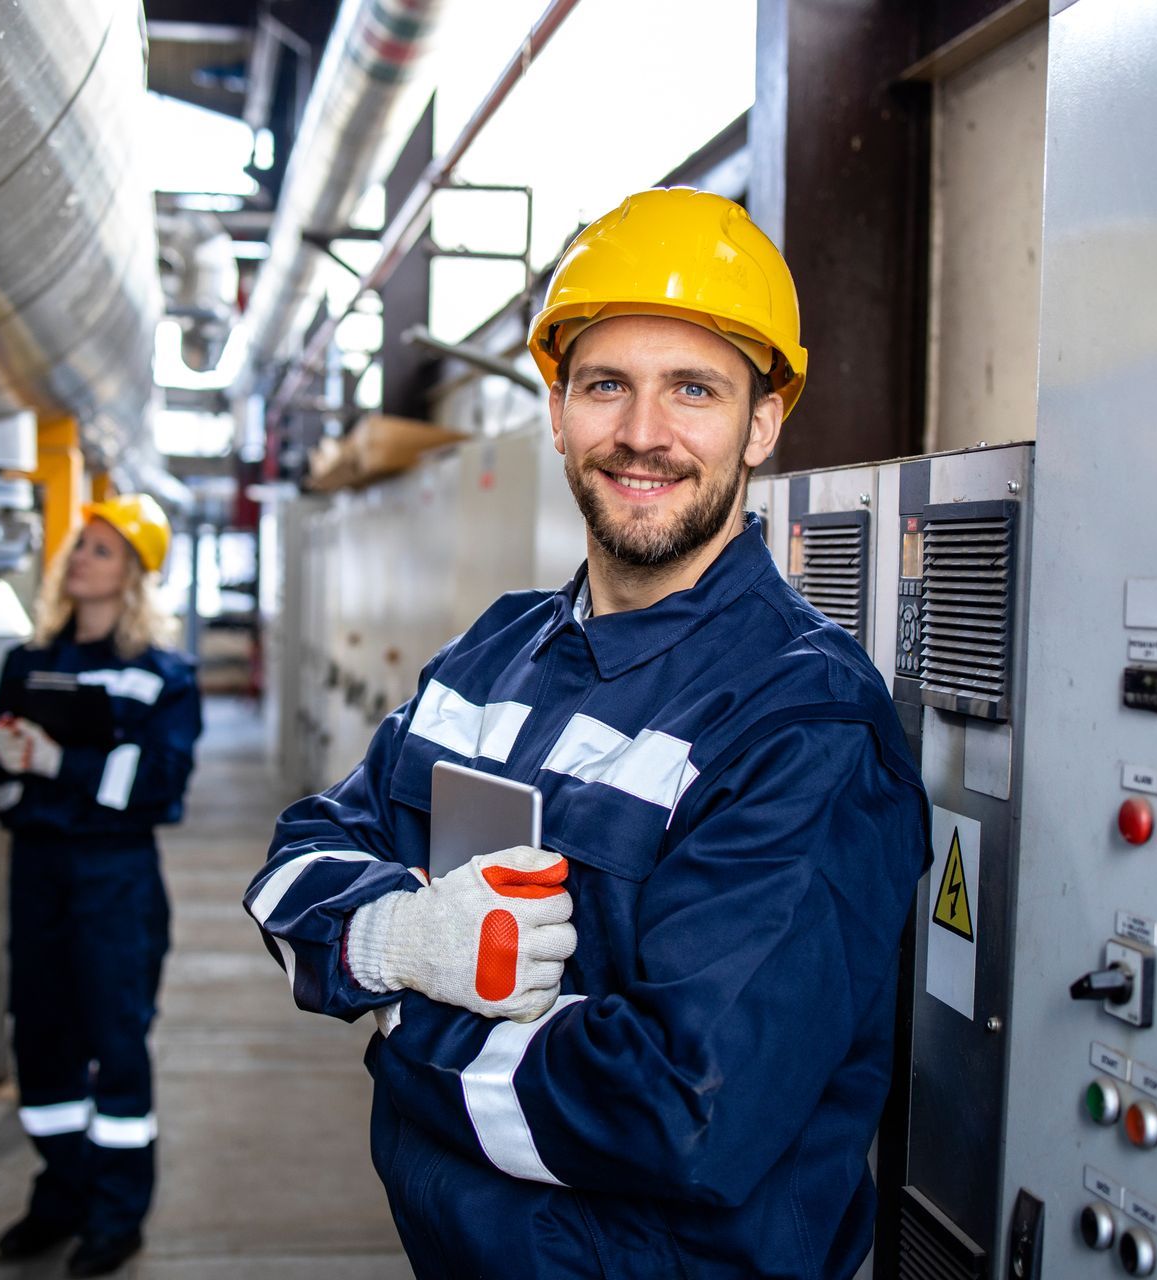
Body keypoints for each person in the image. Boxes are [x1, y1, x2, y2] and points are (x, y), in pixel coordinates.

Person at [243, 187, 930, 1278]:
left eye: (693, 390)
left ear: (762, 422)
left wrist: (396, 1022)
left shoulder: (805, 721)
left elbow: (676, 1110)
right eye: (606, 384)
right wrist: (401, 942)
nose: (642, 434)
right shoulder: (498, 652)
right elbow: (292, 868)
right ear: (558, 411)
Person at [0, 493, 202, 1278]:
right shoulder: (27, 660)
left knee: (115, 1043)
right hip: (37, 869)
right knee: (40, 1038)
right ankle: (60, 1196)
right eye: (80, 546)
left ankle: (118, 1214)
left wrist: (57, 765)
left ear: (135, 576)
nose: (81, 559)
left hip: (116, 879)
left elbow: (161, 784)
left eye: (103, 550)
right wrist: (6, 761)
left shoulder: (162, 675)